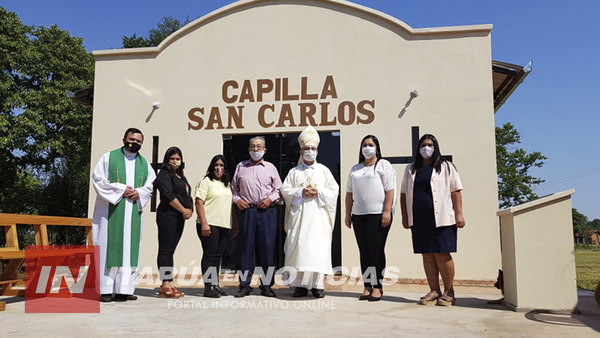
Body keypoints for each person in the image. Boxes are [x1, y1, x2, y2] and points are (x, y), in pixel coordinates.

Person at [92, 127, 156, 303]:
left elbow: (150, 186)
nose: (134, 143)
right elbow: (98, 180)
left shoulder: (145, 164)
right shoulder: (108, 158)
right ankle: (105, 290)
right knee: (107, 247)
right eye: (132, 139)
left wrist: (140, 193)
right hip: (110, 213)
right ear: (124, 139)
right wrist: (121, 190)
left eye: (138, 141)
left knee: (130, 250)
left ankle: (124, 289)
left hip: (132, 212)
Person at [400, 134, 465, 306]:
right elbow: (404, 193)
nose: (426, 148)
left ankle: (449, 291)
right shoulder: (411, 168)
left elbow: (456, 191)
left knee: (442, 253)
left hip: (442, 218)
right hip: (420, 219)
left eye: (430, 144)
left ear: (435, 147)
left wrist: (459, 214)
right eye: (423, 145)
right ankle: (434, 290)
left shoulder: (446, 166)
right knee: (427, 254)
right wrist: (405, 216)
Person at [281, 126, 339, 298]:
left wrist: (319, 192)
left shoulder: (324, 171)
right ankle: (299, 286)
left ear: (317, 151)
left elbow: (334, 191)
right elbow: (285, 190)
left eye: (313, 149)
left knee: (317, 249)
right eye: (306, 149)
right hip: (299, 218)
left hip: (318, 219)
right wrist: (300, 193)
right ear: (301, 151)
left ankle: (317, 286)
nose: (310, 151)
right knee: (299, 249)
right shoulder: (294, 172)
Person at [344, 135, 395, 301]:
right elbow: (349, 194)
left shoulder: (383, 165)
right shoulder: (355, 169)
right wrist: (348, 214)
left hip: (378, 215)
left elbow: (390, 189)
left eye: (370, 145)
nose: (367, 148)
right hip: (359, 215)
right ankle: (367, 286)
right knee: (364, 251)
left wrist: (387, 211)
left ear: (377, 148)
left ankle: (378, 287)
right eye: (364, 145)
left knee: (376, 251)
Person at [231, 136, 282, 298]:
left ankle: (266, 285)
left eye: (259, 147)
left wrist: (269, 199)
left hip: (267, 212)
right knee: (246, 249)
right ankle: (244, 285)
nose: (255, 150)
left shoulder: (270, 167)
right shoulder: (241, 167)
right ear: (248, 150)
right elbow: (233, 189)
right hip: (248, 212)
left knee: (267, 248)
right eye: (252, 147)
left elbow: (279, 189)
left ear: (265, 150)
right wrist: (238, 200)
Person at [195, 154, 238, 298]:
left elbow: (230, 206)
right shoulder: (206, 181)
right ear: (212, 167)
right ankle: (208, 287)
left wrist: (235, 224)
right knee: (209, 255)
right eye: (216, 165)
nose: (219, 168)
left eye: (221, 166)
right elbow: (199, 202)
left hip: (224, 224)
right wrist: (204, 223)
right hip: (209, 224)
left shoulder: (227, 184)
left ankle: (215, 284)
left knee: (218, 256)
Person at [153, 146, 193, 298]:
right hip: (167, 215)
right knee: (165, 250)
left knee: (171, 250)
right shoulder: (164, 175)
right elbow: (168, 195)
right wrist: (183, 209)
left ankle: (170, 282)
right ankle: (165, 283)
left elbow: (188, 195)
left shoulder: (181, 177)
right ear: (167, 160)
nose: (175, 161)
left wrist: (189, 209)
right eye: (173, 159)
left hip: (179, 217)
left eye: (178, 159)